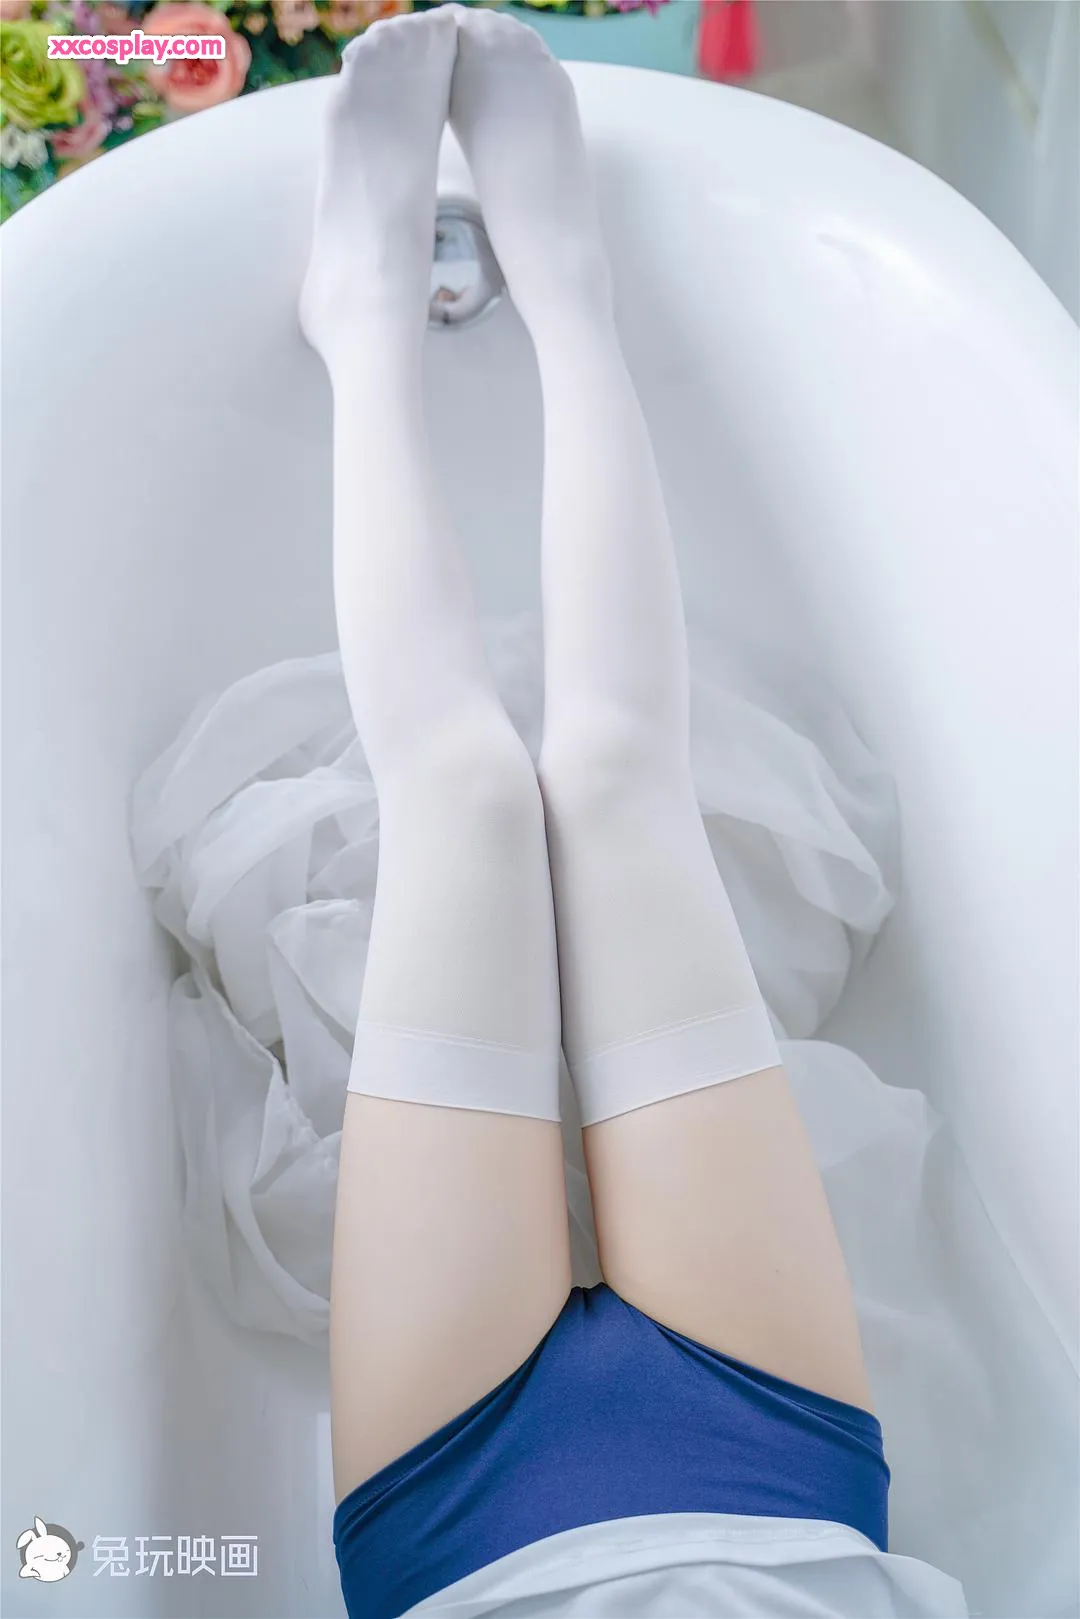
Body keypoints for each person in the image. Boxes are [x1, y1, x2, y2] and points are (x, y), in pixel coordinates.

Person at [299, 7, 968, 1615]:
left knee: (464, 793)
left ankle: (364, 325)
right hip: (780, 1487)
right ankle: (570, 294)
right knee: (609, 779)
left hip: (462, 1526)